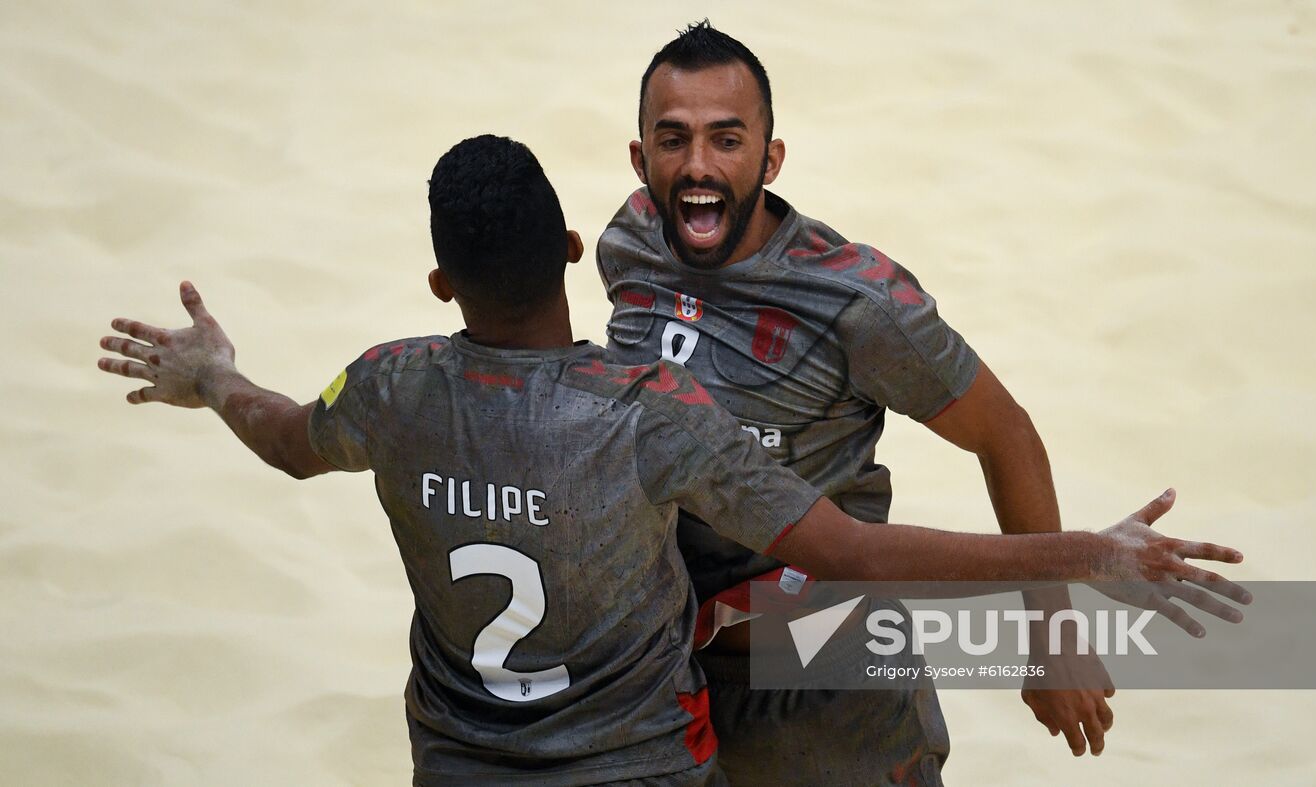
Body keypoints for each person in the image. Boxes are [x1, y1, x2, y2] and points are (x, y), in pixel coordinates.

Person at [99, 135, 1246, 785]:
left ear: (441, 283)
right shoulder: (650, 411)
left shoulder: (391, 384)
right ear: (567, 251)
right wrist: (1082, 553)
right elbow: (850, 546)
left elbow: (289, 439)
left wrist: (213, 380)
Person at [596, 20, 1162, 784]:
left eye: (727, 140)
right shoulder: (628, 244)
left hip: (833, 690)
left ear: (771, 157)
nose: (699, 164)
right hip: (676, 685)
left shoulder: (855, 300)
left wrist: (1052, 630)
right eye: (674, 139)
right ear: (641, 158)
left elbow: (1008, 434)